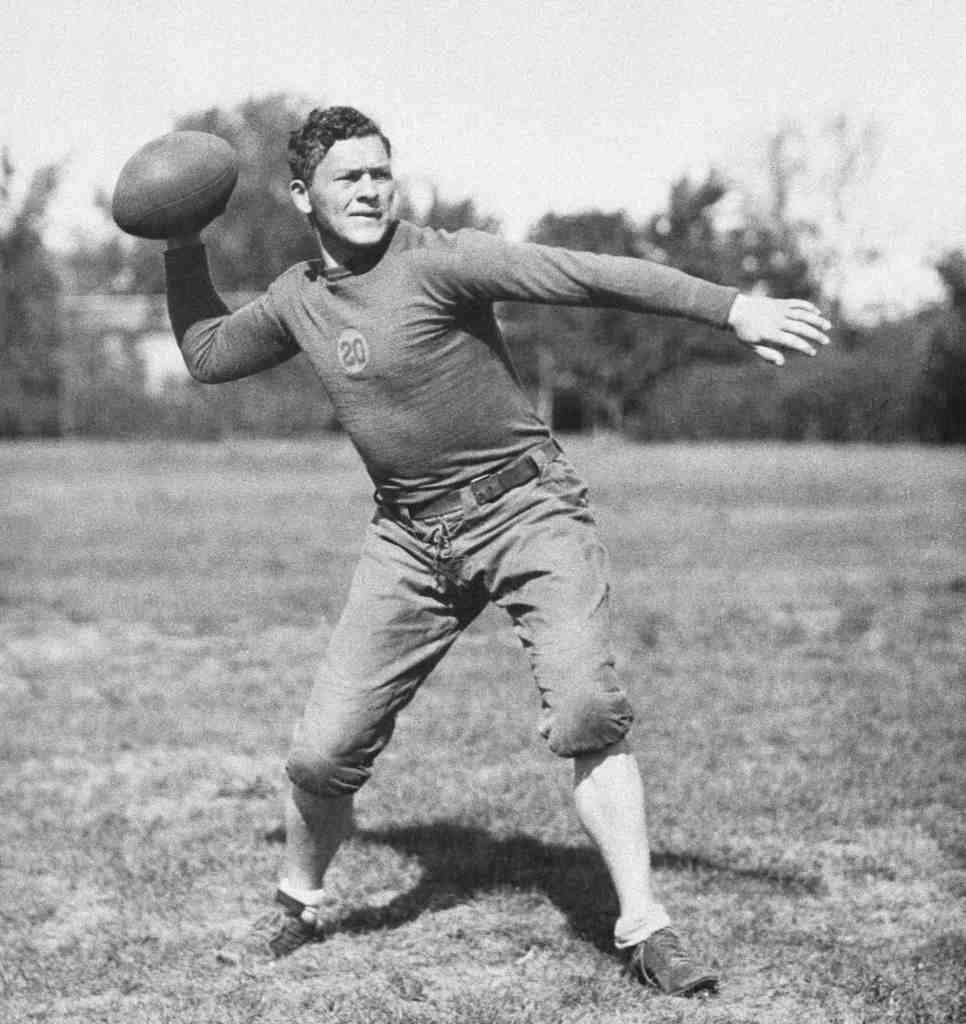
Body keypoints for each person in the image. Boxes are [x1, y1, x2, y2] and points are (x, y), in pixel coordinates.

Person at [162, 106, 830, 997]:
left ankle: (646, 928)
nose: (368, 191)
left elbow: (585, 275)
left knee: (588, 705)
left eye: (378, 174)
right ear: (301, 197)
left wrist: (731, 306)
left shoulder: (442, 258)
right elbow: (206, 354)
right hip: (408, 536)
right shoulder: (298, 299)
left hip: (526, 508)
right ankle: (297, 902)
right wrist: (180, 243)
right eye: (346, 179)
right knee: (322, 757)